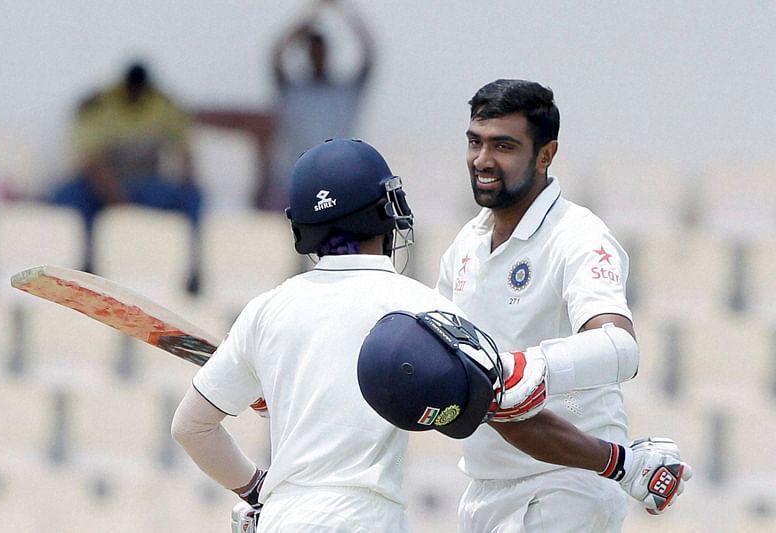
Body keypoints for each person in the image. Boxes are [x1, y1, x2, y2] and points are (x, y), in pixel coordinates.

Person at [170, 138, 687, 532]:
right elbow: (508, 414)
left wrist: (261, 491)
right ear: (383, 211)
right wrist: (623, 463)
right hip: (365, 520)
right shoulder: (421, 308)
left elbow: (192, 429)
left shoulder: (265, 311)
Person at [435, 78, 653, 532]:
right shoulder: (465, 244)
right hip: (484, 484)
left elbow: (619, 347)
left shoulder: (579, 235)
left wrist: (533, 369)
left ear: (546, 155)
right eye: (475, 142)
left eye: (503, 146)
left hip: (569, 481)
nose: (482, 160)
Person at [51, 62, 202, 291]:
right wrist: (117, 201)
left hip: (146, 186)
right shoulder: (99, 105)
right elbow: (92, 162)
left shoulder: (163, 105)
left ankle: (190, 268)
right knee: (66, 197)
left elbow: (184, 150)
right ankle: (85, 265)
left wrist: (188, 178)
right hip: (104, 186)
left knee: (192, 196)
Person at [261, 0, 375, 210]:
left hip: (338, 178)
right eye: (312, 51)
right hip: (295, 180)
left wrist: (344, 12)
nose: (317, 56)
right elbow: (275, 57)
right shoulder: (294, 91)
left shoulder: (344, 92)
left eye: (320, 51)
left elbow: (370, 56)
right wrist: (307, 17)